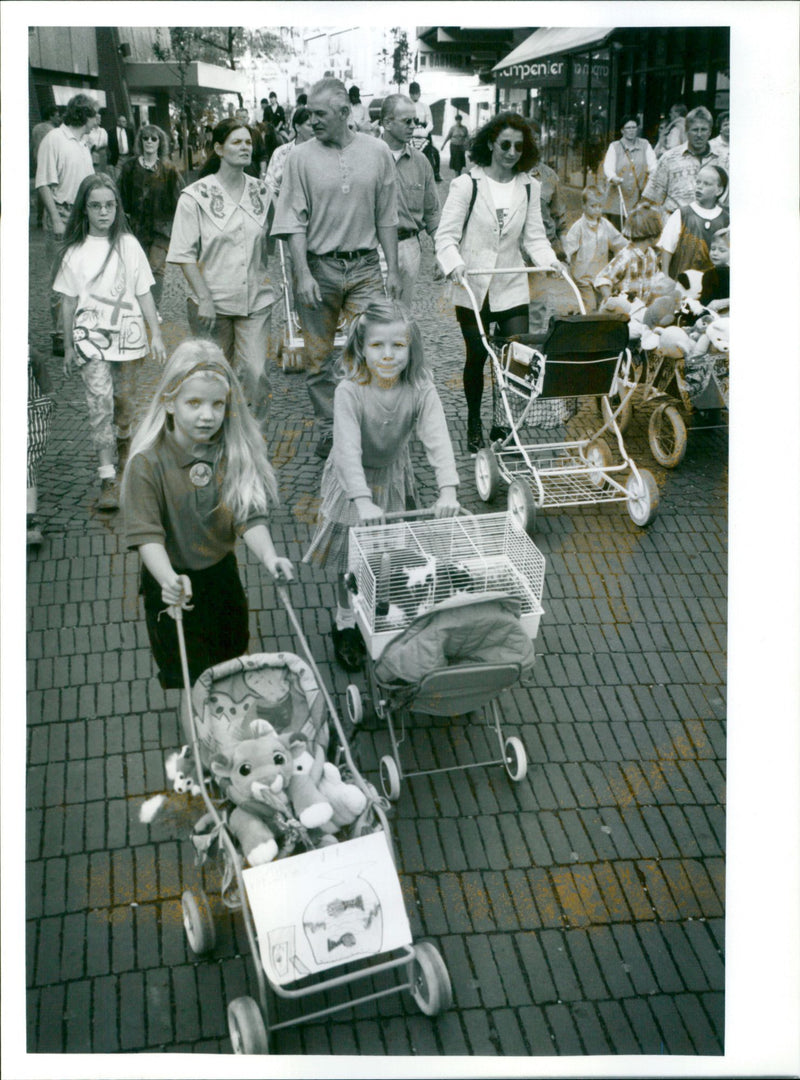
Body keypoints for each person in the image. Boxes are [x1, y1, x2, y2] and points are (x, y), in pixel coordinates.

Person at [121, 339, 294, 691]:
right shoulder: (147, 463)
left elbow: (247, 514)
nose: (207, 415)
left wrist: (269, 556)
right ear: (169, 402)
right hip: (171, 585)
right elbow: (147, 536)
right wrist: (169, 580)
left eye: (218, 404)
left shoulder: (230, 453)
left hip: (221, 577)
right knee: (192, 685)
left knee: (231, 667)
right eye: (194, 403)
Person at [304, 299, 460, 671]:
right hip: (352, 482)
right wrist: (361, 500)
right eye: (377, 346)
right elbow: (346, 450)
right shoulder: (349, 391)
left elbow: (437, 436)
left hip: (391, 474)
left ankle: (378, 606)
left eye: (398, 345)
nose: (388, 356)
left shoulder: (420, 386)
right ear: (361, 348)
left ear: (411, 348)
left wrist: (449, 489)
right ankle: (344, 619)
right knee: (347, 559)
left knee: (387, 552)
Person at [271, 77, 401, 459]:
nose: (311, 121)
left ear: (345, 113)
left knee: (372, 351)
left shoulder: (377, 153)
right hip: (319, 269)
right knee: (317, 359)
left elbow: (386, 216)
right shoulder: (299, 157)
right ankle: (331, 429)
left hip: (363, 268)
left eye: (320, 114)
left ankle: (365, 425)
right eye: (309, 113)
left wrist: (392, 268)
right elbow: (293, 220)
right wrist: (302, 274)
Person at [435, 111, 561, 453]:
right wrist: (455, 265)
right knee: (477, 354)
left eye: (519, 147)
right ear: (490, 142)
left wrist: (550, 261)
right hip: (473, 285)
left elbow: (534, 237)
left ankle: (502, 423)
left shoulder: (529, 187)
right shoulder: (467, 184)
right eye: (505, 144)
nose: (511, 152)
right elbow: (445, 237)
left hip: (510, 283)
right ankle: (474, 421)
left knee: (513, 356)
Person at [52, 173, 166, 511]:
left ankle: (124, 439)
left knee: (124, 400)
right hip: (90, 339)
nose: (104, 212)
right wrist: (70, 344)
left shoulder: (128, 246)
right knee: (99, 402)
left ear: (117, 207)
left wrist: (155, 332)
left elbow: (143, 289)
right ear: (84, 210)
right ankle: (108, 477)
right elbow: (69, 301)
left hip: (127, 336)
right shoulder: (74, 252)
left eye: (109, 205)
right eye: (96, 206)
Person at [167, 117, 275, 429]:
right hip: (210, 302)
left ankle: (254, 444)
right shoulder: (195, 197)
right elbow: (184, 254)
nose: (245, 148)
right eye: (237, 142)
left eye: (249, 143)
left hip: (255, 299)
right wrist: (204, 298)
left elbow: (285, 229)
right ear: (218, 148)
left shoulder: (262, 193)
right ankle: (215, 442)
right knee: (214, 377)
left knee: (255, 374)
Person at [35, 92, 100, 356]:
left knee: (84, 276)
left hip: (82, 217)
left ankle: (80, 331)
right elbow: (43, 183)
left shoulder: (83, 143)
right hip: (62, 215)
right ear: (84, 114)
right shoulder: (55, 140)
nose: (98, 120)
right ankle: (61, 336)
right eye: (96, 114)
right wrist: (54, 219)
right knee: (61, 279)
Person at [380, 94, 440, 308]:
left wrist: (440, 249)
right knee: (373, 317)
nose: (413, 126)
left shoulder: (421, 162)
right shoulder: (369, 158)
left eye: (416, 121)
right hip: (375, 247)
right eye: (407, 121)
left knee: (401, 315)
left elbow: (432, 212)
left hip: (409, 246)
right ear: (387, 123)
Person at [118, 123, 184, 309]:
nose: (149, 141)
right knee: (136, 269)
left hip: (161, 229)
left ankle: (153, 310)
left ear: (160, 143)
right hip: (136, 228)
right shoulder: (129, 167)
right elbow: (120, 196)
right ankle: (136, 308)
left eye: (153, 138)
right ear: (140, 141)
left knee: (156, 268)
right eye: (145, 138)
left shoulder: (169, 169)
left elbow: (180, 199)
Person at [641, 106, 725, 216]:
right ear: (686, 131)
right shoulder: (669, 158)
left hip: (710, 225)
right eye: (695, 130)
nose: (699, 135)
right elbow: (651, 198)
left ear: (710, 132)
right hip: (675, 224)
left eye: (704, 130)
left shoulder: (721, 159)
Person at [563, 184, 628, 312]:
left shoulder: (605, 225)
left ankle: (598, 327)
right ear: (584, 206)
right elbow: (569, 247)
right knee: (589, 305)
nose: (597, 210)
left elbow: (618, 242)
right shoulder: (579, 227)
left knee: (603, 304)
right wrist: (565, 262)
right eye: (593, 206)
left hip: (600, 275)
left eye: (600, 206)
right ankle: (588, 327)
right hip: (583, 277)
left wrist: (631, 247)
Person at [658, 164, 729, 279]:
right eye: (698, 182)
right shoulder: (682, 214)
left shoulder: (726, 219)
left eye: (707, 184)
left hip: (712, 286)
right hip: (681, 284)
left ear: (719, 190)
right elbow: (667, 248)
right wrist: (665, 276)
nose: (699, 187)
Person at [593, 205, 665, 306]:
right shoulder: (626, 256)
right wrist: (610, 301)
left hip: (641, 311)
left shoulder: (651, 255)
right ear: (653, 237)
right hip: (624, 314)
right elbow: (602, 280)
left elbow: (655, 281)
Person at [602, 115, 657, 227]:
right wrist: (613, 177)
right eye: (628, 128)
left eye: (634, 127)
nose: (631, 131)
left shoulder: (645, 145)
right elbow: (608, 167)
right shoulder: (614, 146)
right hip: (617, 199)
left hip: (638, 198)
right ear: (622, 130)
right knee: (617, 231)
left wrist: (651, 183)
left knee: (636, 230)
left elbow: (654, 167)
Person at [27, 344, 54, 547]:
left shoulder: (29, 353)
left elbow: (46, 389)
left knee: (26, 464)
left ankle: (29, 518)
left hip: (29, 412)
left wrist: (46, 403)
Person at [265, 107, 314, 198]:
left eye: (316, 125)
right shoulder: (281, 153)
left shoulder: (325, 152)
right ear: (297, 127)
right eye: (310, 125)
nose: (314, 130)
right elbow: (270, 186)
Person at [31, 105, 61, 226]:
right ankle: (50, 216)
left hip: (38, 161)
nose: (59, 119)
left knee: (41, 188)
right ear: (51, 116)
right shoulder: (53, 131)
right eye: (57, 116)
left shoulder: (36, 128)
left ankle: (39, 216)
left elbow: (34, 146)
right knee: (51, 189)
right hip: (50, 162)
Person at [408, 82, 441, 182]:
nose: (415, 95)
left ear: (420, 93)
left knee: (434, 153)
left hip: (423, 132)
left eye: (417, 93)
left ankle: (435, 173)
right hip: (410, 132)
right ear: (410, 93)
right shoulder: (406, 106)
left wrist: (426, 131)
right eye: (413, 93)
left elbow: (430, 123)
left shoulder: (424, 106)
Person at [699, 227, 729, 310]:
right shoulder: (709, 274)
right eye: (713, 249)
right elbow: (704, 303)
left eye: (721, 250)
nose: (715, 253)